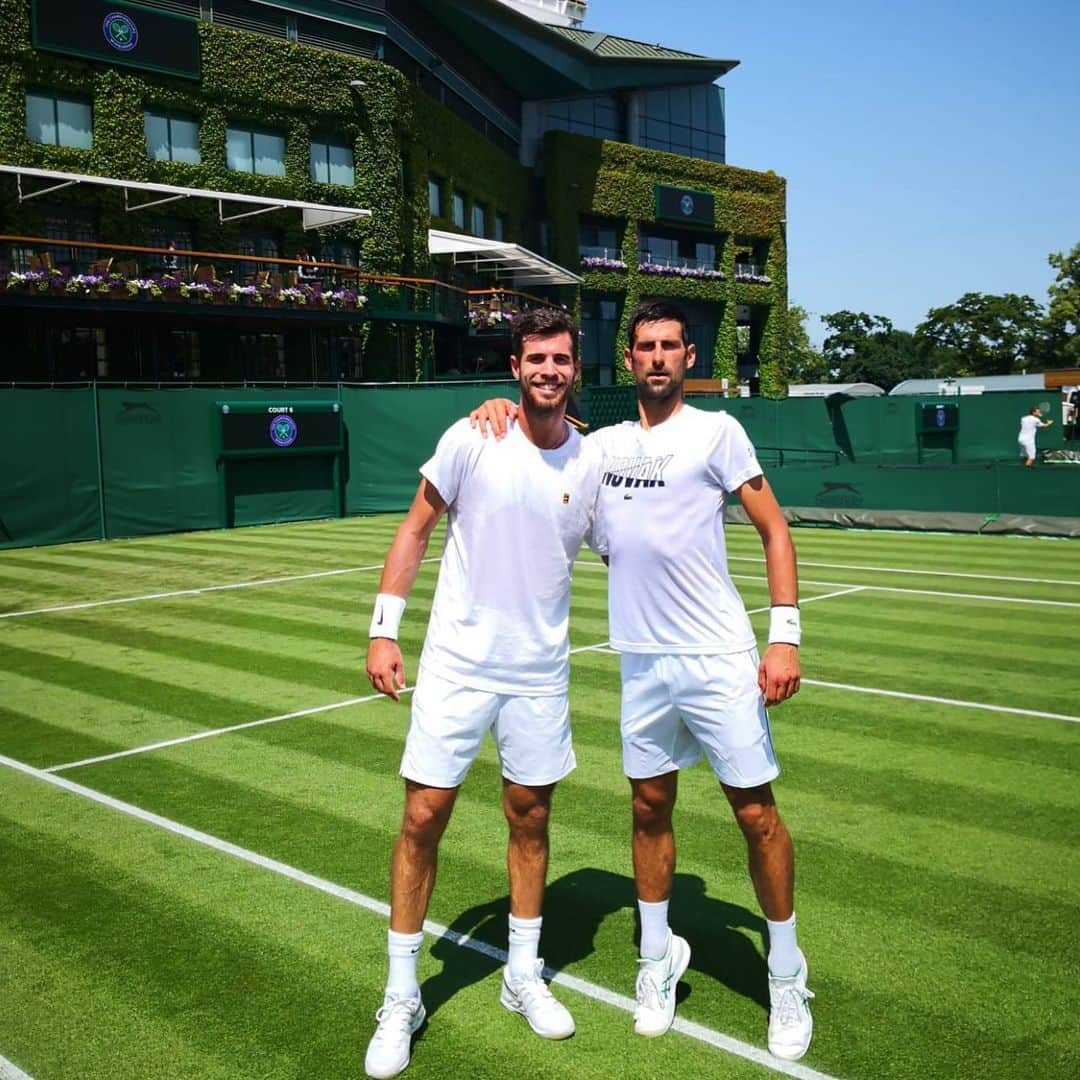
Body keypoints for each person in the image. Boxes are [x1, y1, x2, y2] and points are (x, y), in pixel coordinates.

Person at [470, 299, 813, 1061]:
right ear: (627, 362)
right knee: (648, 807)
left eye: (669, 346)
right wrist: (496, 405)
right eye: (644, 347)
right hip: (643, 662)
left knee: (756, 814)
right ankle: (655, 961)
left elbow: (775, 528)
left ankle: (786, 976)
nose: (657, 357)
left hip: (720, 657)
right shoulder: (602, 447)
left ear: (689, 357)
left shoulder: (719, 432)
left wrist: (783, 639)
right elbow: (543, 448)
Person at [363, 308, 604, 1079]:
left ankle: (521, 975)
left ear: (576, 368)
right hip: (457, 666)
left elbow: (627, 542)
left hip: (540, 672)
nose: (548, 370)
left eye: (561, 359)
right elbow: (415, 529)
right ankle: (402, 994)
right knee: (423, 815)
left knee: (530, 816)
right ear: (514, 366)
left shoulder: (592, 460)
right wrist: (382, 629)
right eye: (536, 358)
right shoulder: (473, 436)